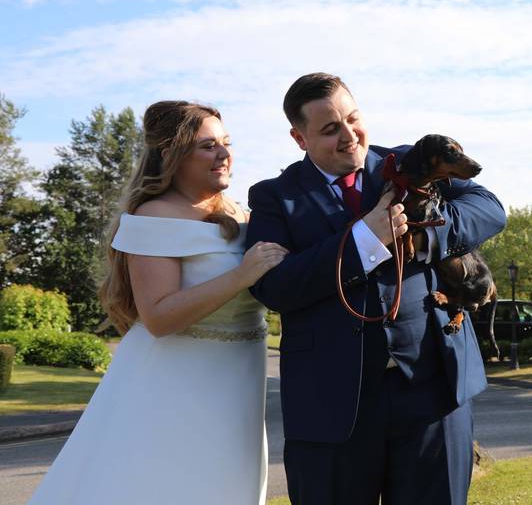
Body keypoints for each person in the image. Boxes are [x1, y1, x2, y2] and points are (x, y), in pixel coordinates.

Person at [246, 73, 506, 505]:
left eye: (352, 118)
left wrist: (425, 237)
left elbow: (489, 209)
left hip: (433, 389)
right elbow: (275, 287)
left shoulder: (411, 162)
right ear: (299, 137)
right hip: (331, 405)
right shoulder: (274, 198)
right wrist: (367, 238)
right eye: (330, 129)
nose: (349, 136)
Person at [29, 101, 288, 505]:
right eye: (207, 146)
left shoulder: (243, 212)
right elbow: (158, 317)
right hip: (172, 381)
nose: (224, 154)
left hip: (240, 378)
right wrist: (243, 274)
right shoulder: (154, 215)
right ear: (172, 153)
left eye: (226, 142)